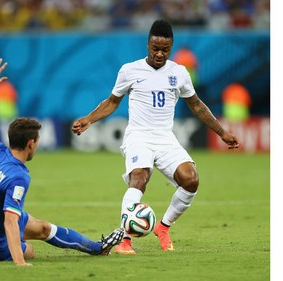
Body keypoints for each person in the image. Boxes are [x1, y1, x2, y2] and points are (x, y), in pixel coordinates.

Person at [0, 59, 123, 266]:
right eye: (37, 142)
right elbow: (10, 221)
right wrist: (20, 263)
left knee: (43, 228)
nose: (38, 145)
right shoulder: (18, 177)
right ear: (31, 143)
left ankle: (97, 248)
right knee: (28, 249)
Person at [71, 20, 240, 254]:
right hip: (138, 135)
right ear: (148, 44)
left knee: (191, 180)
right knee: (139, 177)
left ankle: (163, 227)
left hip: (165, 138)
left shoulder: (179, 73)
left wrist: (222, 132)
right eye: (155, 48)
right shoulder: (130, 70)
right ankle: (124, 240)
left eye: (165, 49)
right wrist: (89, 119)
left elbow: (197, 106)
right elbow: (112, 102)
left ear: (171, 48)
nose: (160, 54)